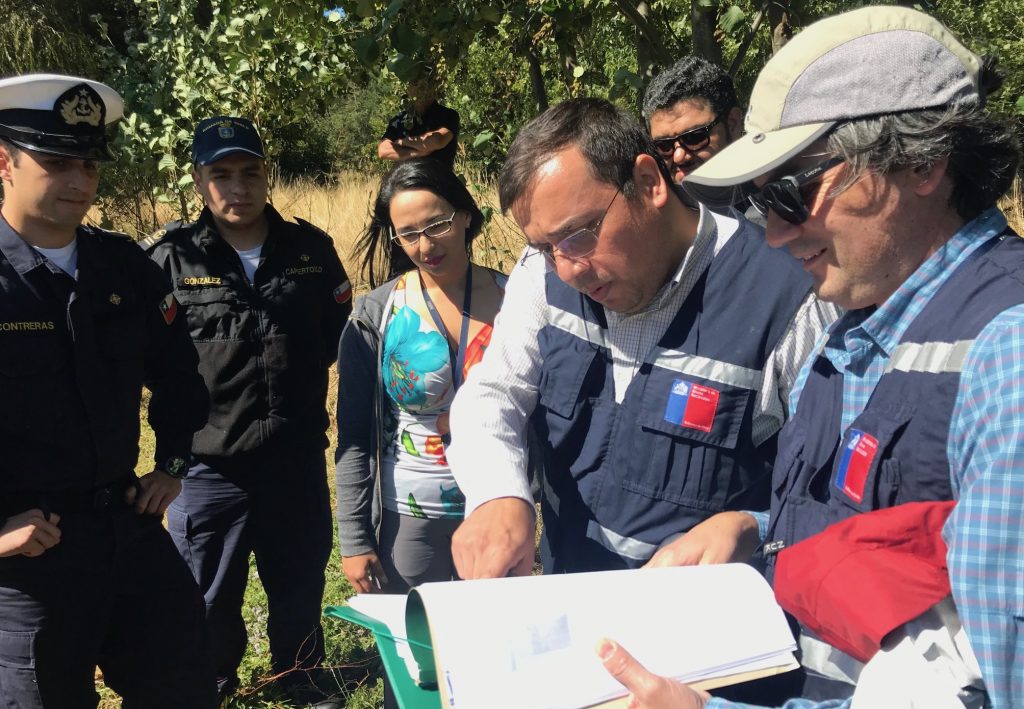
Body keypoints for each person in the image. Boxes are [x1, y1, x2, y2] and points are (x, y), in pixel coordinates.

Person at [602, 5, 1023, 707]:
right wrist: (753, 531)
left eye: (791, 192)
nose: (772, 234)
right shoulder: (845, 319)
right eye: (759, 200)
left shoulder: (1006, 357)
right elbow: (900, 543)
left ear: (921, 161)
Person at [446, 98, 839, 586]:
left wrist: (751, 528)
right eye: (545, 248)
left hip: (700, 639)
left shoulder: (786, 301)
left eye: (578, 235)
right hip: (566, 608)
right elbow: (493, 392)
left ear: (650, 183)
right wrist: (495, 493)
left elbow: (827, 497)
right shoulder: (541, 276)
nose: (567, 268)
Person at [0, 74, 216, 707]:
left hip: (129, 531)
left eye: (89, 163)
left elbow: (181, 376)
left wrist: (173, 464)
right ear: (4, 162)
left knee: (184, 688)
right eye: (57, 161)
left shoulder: (122, 266)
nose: (79, 180)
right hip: (29, 560)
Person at [145, 116, 353, 706]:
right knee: (207, 590)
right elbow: (147, 361)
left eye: (250, 173)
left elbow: (337, 333)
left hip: (293, 457)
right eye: (222, 175)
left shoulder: (311, 250)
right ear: (198, 181)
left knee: (298, 579)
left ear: (268, 176)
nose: (238, 188)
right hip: (210, 467)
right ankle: (211, 682)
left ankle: (300, 676)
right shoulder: (170, 259)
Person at [336, 158, 506, 595]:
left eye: (438, 223)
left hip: (497, 510)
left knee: (492, 647)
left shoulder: (517, 299)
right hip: (408, 517)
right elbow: (354, 435)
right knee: (419, 654)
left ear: (466, 215)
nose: (425, 244)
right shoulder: (376, 312)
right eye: (408, 233)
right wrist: (355, 538)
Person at [642, 56, 743, 185]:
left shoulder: (772, 197)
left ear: (733, 123)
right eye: (664, 146)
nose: (679, 157)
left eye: (694, 138)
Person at [377, 76, 460, 169]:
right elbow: (383, 150)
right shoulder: (399, 120)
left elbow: (437, 140)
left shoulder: (448, 115)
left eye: (426, 83)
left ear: (435, 87)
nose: (420, 89)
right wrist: (417, 153)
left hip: (438, 181)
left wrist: (402, 142)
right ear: (408, 88)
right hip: (406, 181)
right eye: (415, 83)